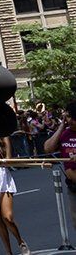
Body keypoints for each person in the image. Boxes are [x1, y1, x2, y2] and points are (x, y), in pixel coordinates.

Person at [44, 102, 76, 240]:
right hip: (73, 187)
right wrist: (61, 126)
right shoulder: (64, 134)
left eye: (70, 117)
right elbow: (48, 148)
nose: (68, 120)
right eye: (66, 117)